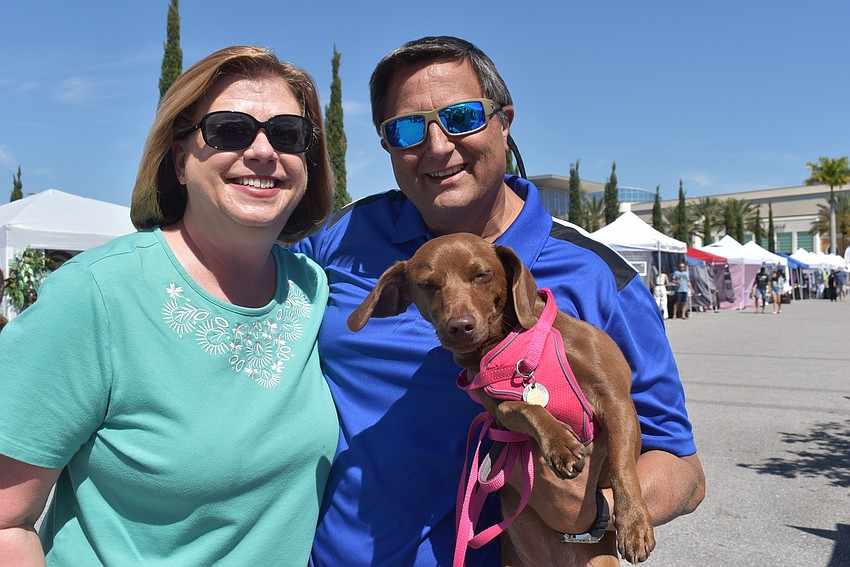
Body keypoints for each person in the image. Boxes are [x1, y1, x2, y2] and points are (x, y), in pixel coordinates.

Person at [293, 36, 704, 566]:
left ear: (504, 122)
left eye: (462, 117)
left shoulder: (595, 274)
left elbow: (684, 471)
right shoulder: (341, 239)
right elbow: (229, 279)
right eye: (408, 129)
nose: (438, 146)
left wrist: (595, 513)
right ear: (387, 145)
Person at [0, 46, 338, 566]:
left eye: (288, 134)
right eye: (230, 130)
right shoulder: (95, 296)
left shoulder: (311, 290)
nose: (264, 151)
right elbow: (6, 521)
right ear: (180, 161)